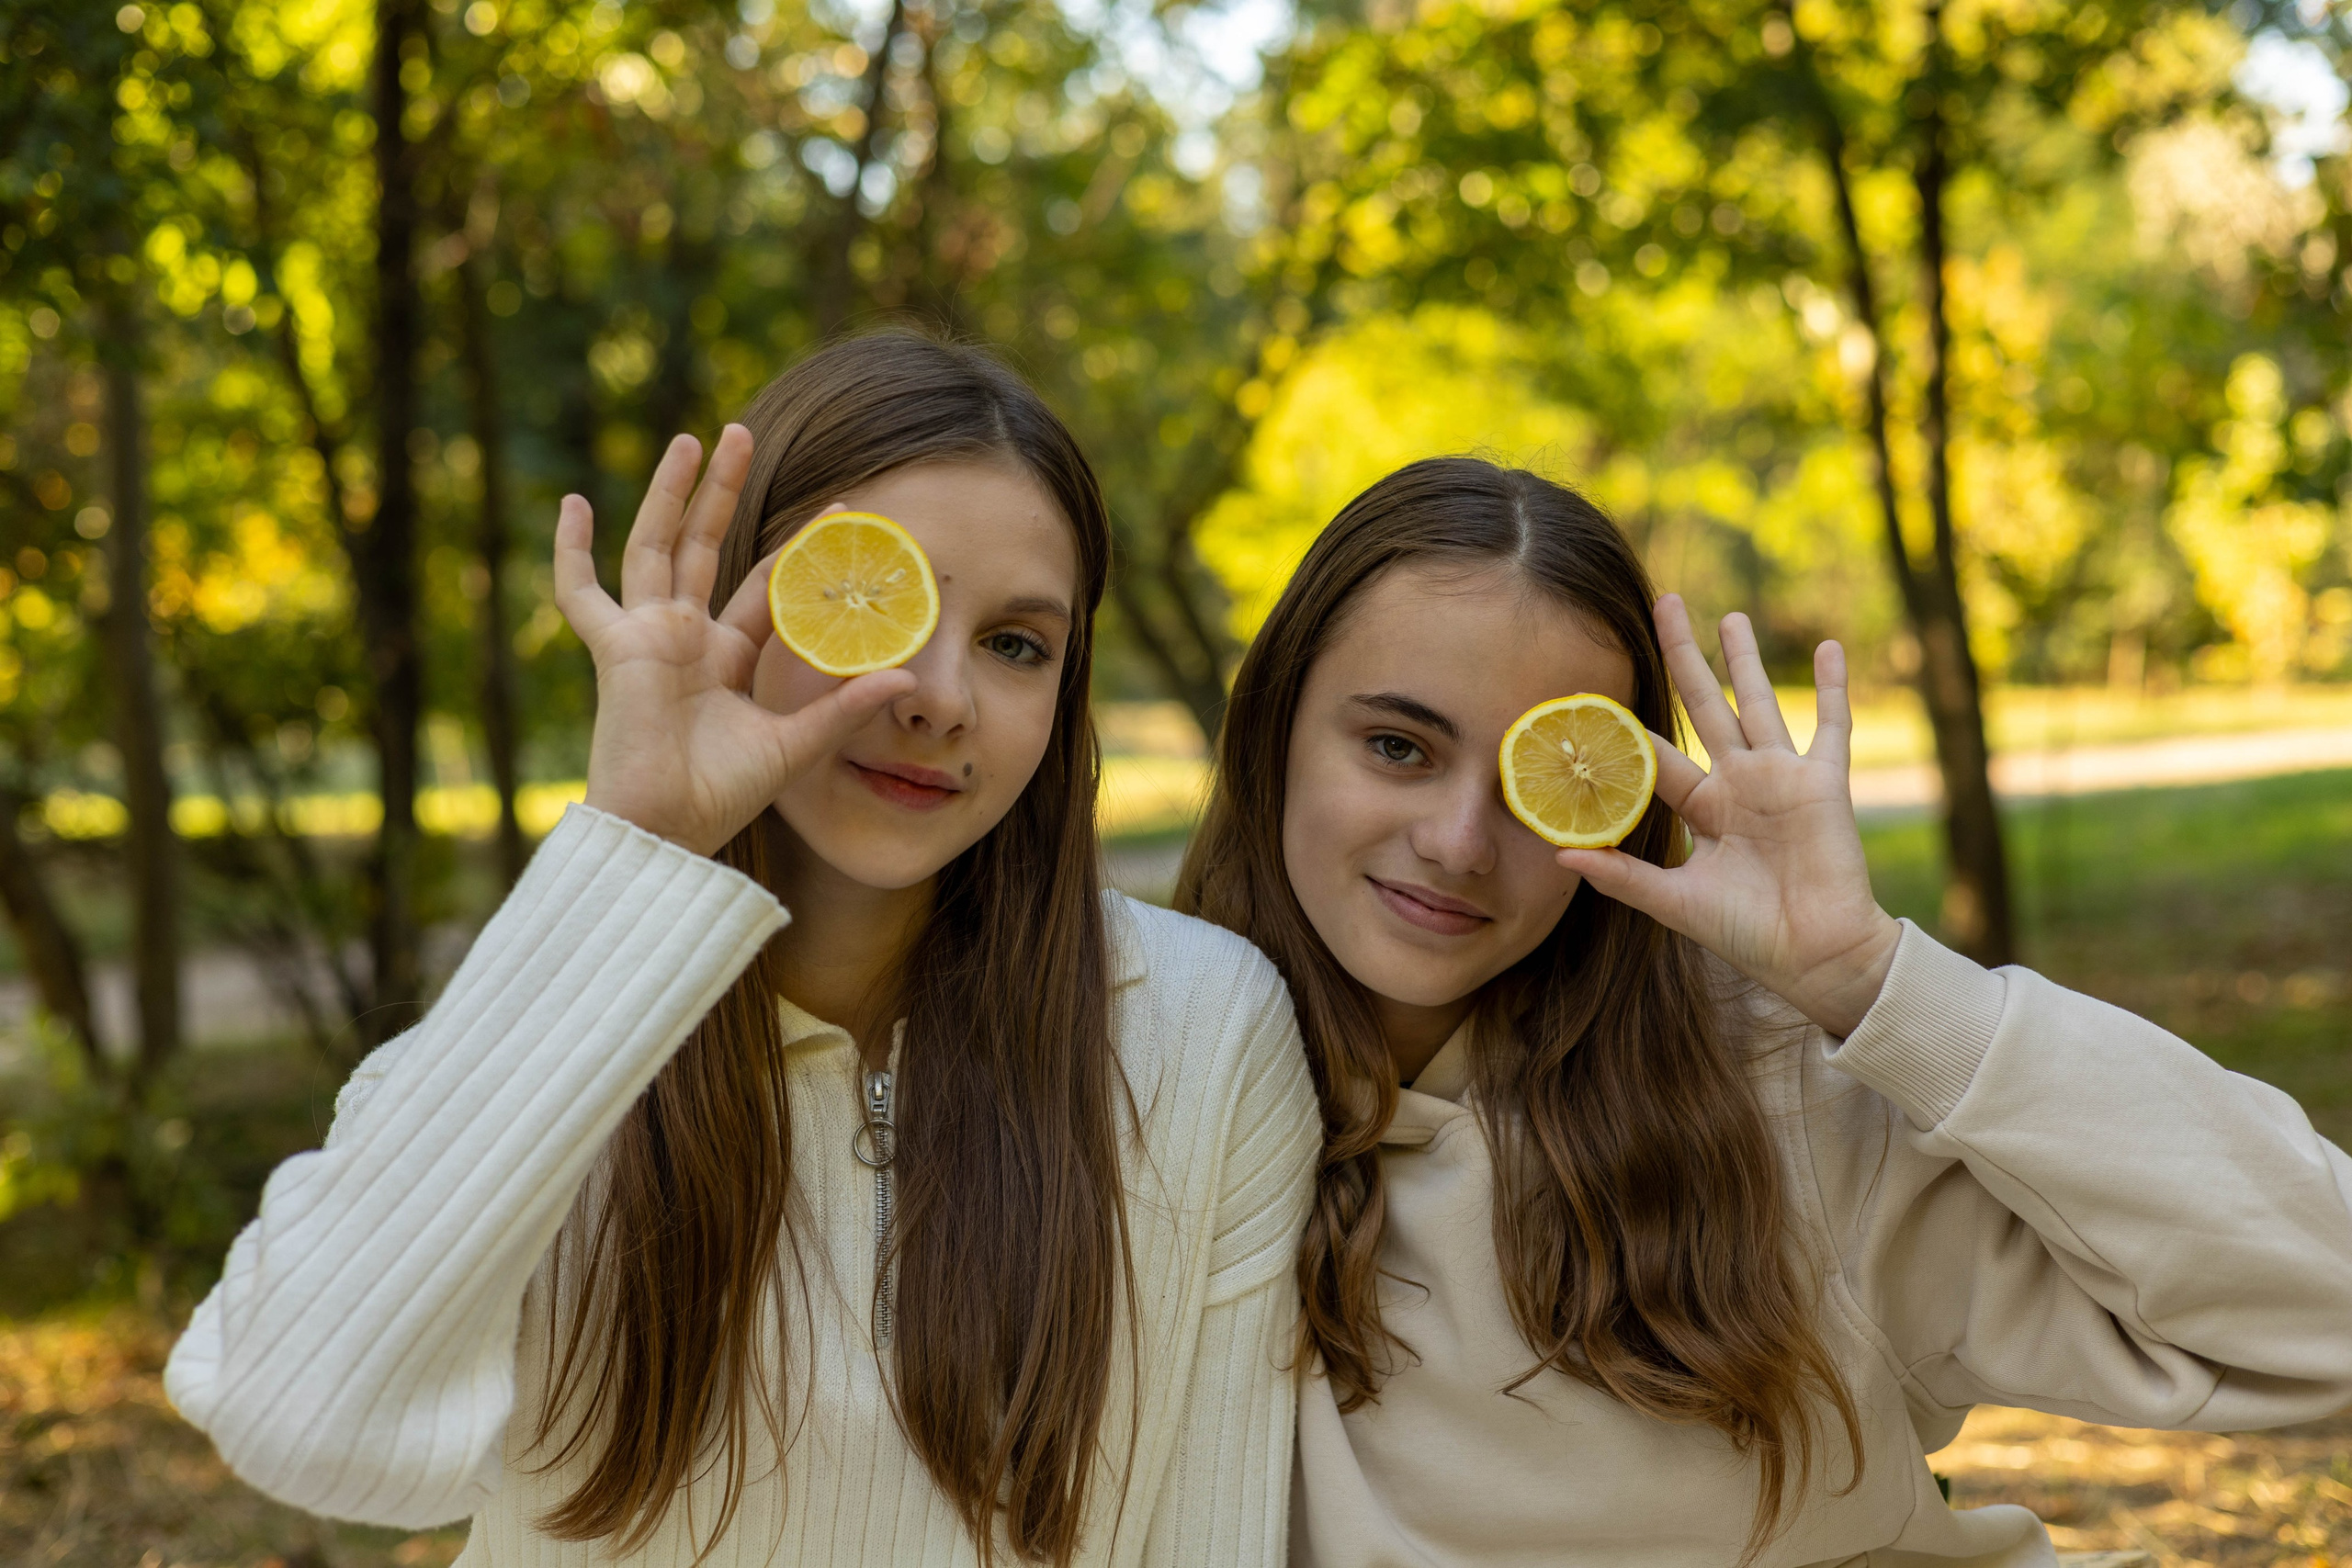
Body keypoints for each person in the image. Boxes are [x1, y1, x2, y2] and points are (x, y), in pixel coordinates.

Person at [165, 332, 1318, 1566]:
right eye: (868, 600)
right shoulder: (553, 1024)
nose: (939, 695)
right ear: (742, 604)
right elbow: (296, 1418)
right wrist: (636, 851)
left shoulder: (1206, 1030)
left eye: (1015, 644)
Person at [1175, 455, 2352, 1568]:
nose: (1459, 842)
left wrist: (1873, 982)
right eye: (1397, 747)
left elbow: (2324, 1300)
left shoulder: (1764, 1095)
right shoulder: (1141, 1091)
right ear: (1273, 728)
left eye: (1543, 783)